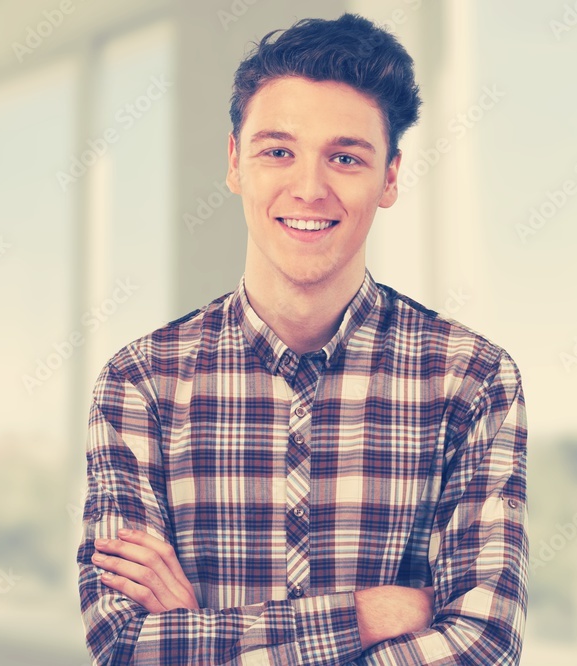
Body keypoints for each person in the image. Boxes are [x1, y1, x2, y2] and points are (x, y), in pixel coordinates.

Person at [77, 13, 527, 665]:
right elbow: (123, 645)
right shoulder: (139, 382)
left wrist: (199, 632)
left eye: (345, 157)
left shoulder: (473, 380)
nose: (309, 188)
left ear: (391, 177)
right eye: (278, 151)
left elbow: (482, 649)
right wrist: (371, 614)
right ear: (235, 163)